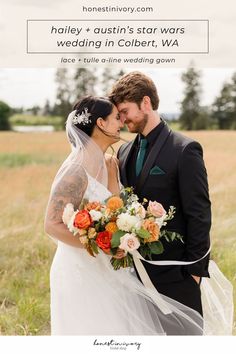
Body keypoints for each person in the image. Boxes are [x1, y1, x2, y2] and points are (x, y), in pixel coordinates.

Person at [44, 96, 206, 335]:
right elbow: (51, 224)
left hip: (114, 268)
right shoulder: (75, 170)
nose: (121, 122)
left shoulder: (111, 162)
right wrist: (104, 245)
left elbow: (114, 208)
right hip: (82, 268)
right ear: (100, 123)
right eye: (115, 118)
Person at [109, 72, 234, 335]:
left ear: (145, 103)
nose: (122, 120)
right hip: (135, 276)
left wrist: (194, 274)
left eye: (125, 111)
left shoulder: (185, 149)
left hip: (178, 276)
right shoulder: (122, 152)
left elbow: (199, 214)